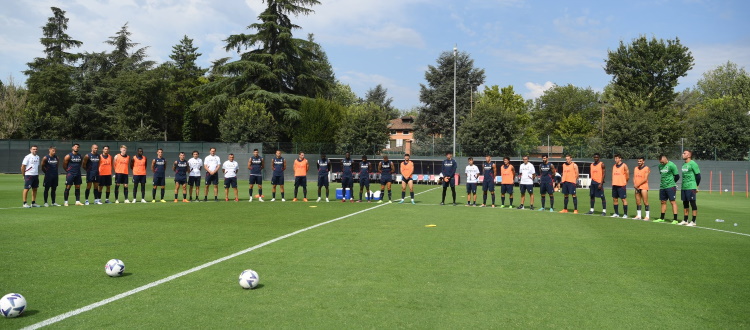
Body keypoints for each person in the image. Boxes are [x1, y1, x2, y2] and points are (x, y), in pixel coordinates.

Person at [655, 154, 680, 224]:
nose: (661, 163)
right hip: (662, 186)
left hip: (671, 186)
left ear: (665, 159)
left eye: (662, 162)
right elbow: (662, 175)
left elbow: (677, 176)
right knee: (663, 202)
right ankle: (662, 218)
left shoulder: (672, 165)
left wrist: (672, 183)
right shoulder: (660, 166)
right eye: (660, 162)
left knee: (672, 202)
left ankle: (675, 219)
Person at [680, 150, 701, 226]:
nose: (683, 154)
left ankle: (693, 221)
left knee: (692, 203)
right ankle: (685, 220)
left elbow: (698, 176)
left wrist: (696, 186)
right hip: (684, 187)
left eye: (684, 153)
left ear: (689, 155)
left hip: (691, 186)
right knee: (685, 203)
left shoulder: (693, 164)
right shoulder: (683, 164)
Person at [610, 154, 629, 218]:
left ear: (620, 159)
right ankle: (616, 213)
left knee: (623, 199)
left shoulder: (624, 165)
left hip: (621, 185)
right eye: (615, 158)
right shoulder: (614, 166)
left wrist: (625, 182)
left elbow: (627, 175)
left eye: (617, 158)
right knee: (615, 199)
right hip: (615, 185)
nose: (616, 159)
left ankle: (625, 214)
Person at [633, 156, 651, 220]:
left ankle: (647, 216)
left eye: (640, 161)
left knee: (645, 201)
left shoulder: (646, 168)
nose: (639, 162)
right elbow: (634, 177)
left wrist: (637, 184)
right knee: (638, 201)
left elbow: (645, 179)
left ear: (643, 161)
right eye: (638, 161)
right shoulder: (635, 168)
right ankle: (639, 215)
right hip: (637, 187)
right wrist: (635, 184)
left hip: (644, 187)